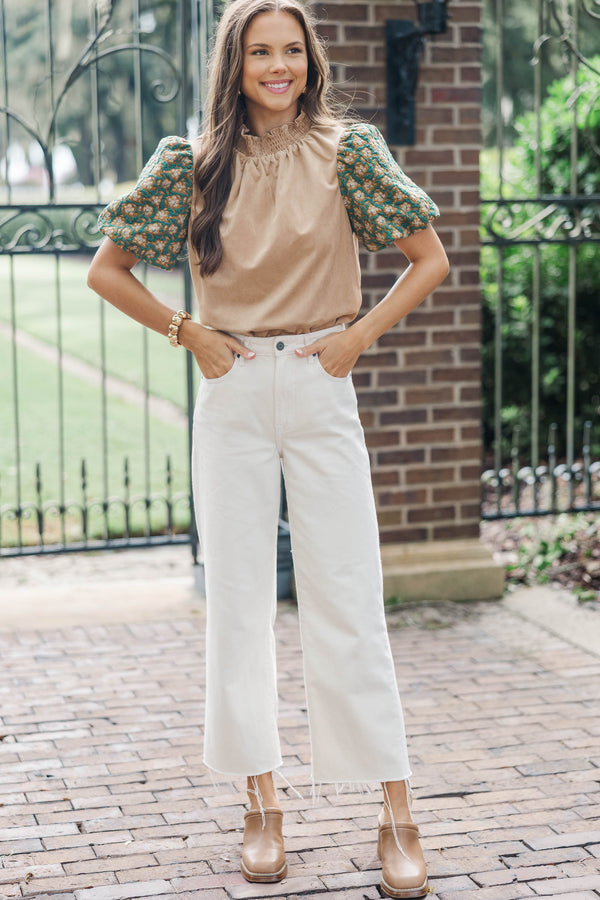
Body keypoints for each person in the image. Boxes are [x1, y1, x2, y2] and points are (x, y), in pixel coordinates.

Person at [88, 1, 448, 896]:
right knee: (240, 606)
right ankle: (261, 805)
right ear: (236, 64)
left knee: (352, 599)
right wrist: (187, 331)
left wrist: (358, 339)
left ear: (310, 60)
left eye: (292, 50)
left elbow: (429, 256)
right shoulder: (195, 164)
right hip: (233, 388)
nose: (278, 66)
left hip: (324, 379)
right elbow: (108, 269)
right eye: (261, 52)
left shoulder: (347, 152)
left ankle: (397, 812)